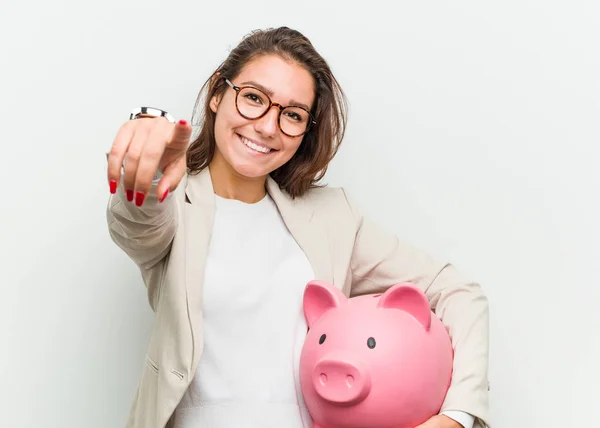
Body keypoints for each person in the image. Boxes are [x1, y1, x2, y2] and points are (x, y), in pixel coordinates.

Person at [105, 26, 490, 428]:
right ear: (218, 93)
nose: (268, 127)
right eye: (253, 97)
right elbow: (136, 223)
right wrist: (145, 172)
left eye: (292, 115)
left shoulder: (333, 217)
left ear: (305, 131)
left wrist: (457, 415)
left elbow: (457, 291)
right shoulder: (175, 204)